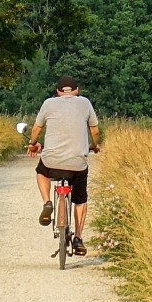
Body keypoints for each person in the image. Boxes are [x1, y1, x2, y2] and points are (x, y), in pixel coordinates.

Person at [28, 76, 101, 255]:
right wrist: (95, 145)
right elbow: (95, 130)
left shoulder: (48, 103)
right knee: (80, 199)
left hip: (51, 161)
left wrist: (32, 143)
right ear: (77, 90)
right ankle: (78, 239)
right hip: (77, 163)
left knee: (41, 172)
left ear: (58, 92)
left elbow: (37, 129)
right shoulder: (84, 103)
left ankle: (47, 202)